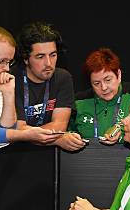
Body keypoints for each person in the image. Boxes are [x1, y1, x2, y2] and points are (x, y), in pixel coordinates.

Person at [12, 22, 85, 152]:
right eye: (40, 57)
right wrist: (56, 139)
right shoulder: (12, 79)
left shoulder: (63, 78)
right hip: (12, 155)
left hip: (48, 158)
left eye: (53, 55)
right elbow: (16, 130)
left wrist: (26, 134)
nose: (49, 63)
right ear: (25, 58)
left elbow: (59, 127)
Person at [69, 48, 130, 145]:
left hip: (129, 156)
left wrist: (122, 133)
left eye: (108, 80)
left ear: (118, 75)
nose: (104, 87)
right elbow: (65, 132)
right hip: (88, 158)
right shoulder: (79, 101)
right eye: (96, 83)